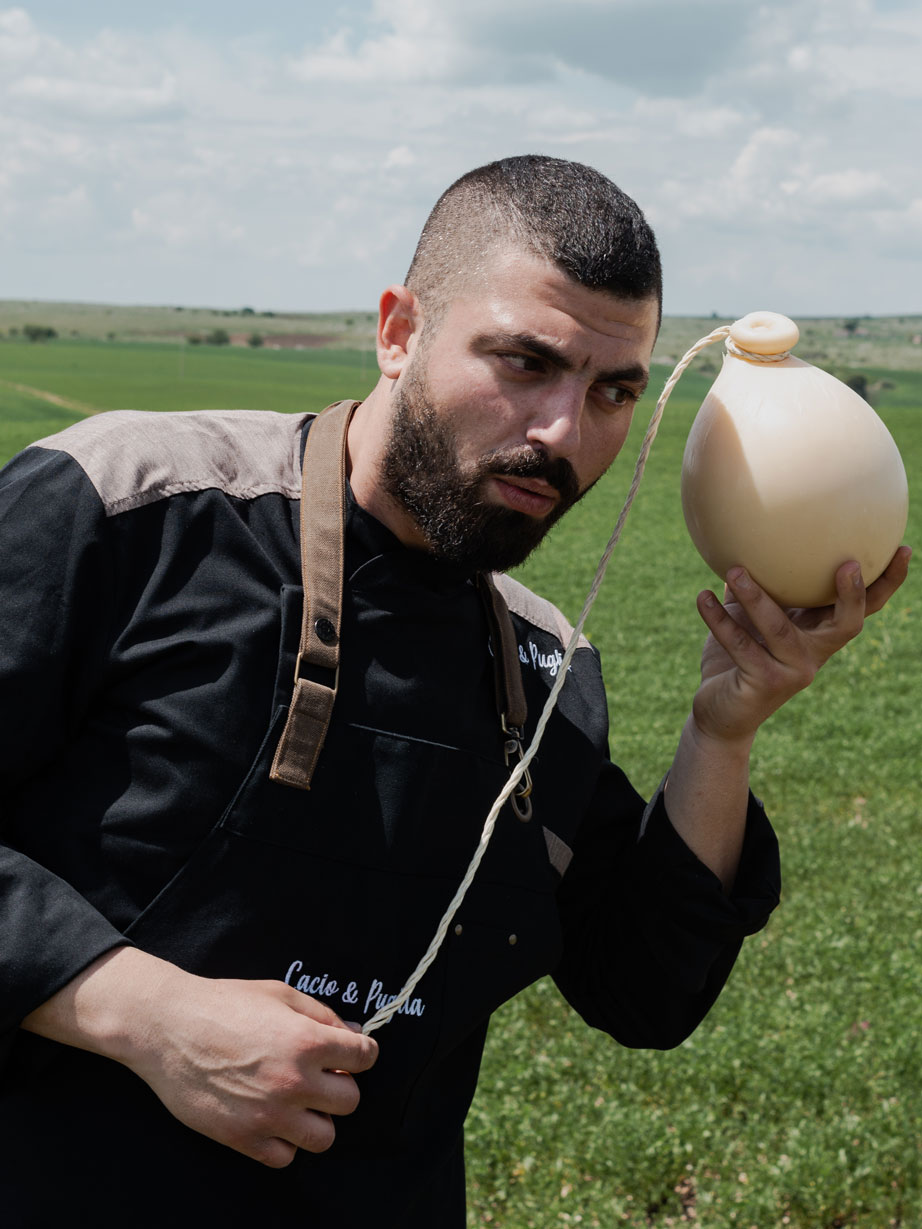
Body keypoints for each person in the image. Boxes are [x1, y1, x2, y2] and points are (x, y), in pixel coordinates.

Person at [0, 155, 908, 1226]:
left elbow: (645, 986)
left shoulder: (540, 670)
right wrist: (139, 1010)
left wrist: (725, 727)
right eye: (525, 362)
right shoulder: (136, 509)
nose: (565, 435)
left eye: (614, 390)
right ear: (398, 331)